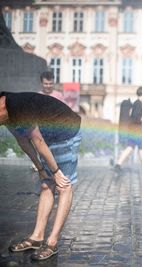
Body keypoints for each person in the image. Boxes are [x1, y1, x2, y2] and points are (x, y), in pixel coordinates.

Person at [0, 91, 81, 261]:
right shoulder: (6, 115)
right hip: (48, 135)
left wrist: (57, 172)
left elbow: (37, 141)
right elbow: (23, 140)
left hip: (66, 130)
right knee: (46, 184)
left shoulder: (18, 106)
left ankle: (52, 242)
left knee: (63, 185)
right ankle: (37, 237)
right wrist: (40, 168)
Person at [114, 86, 142, 175]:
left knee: (130, 147)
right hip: (137, 130)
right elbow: (135, 117)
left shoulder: (136, 103)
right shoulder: (139, 103)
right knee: (141, 148)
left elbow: (134, 116)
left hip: (133, 129)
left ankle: (118, 165)